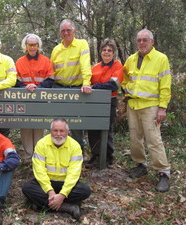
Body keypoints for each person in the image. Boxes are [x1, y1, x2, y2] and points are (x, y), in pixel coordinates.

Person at [122, 29, 172, 192]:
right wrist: (126, 89)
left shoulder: (161, 59)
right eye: (139, 40)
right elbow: (124, 78)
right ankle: (140, 165)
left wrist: (162, 107)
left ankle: (163, 172)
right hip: (133, 105)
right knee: (135, 137)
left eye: (145, 40)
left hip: (151, 106)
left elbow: (165, 85)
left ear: (152, 42)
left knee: (153, 139)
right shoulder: (131, 59)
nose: (141, 43)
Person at [22, 118, 91, 220]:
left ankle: (41, 204)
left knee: (85, 191)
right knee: (27, 188)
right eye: (55, 130)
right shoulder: (41, 144)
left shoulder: (75, 146)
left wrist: (62, 194)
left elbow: (74, 174)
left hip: (65, 183)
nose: (58, 134)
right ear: (51, 131)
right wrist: (50, 191)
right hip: (47, 184)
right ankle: (67, 207)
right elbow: (39, 170)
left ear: (67, 132)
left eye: (62, 131)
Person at [50, 19, 92, 153]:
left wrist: (86, 83)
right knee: (58, 121)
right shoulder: (56, 49)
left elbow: (85, 65)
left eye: (68, 30)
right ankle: (59, 150)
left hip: (76, 89)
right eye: (63, 30)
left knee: (75, 122)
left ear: (74, 31)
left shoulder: (81, 44)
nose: (66, 33)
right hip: (58, 88)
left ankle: (80, 149)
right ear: (60, 33)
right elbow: (51, 70)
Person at [15, 33, 55, 162]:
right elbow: (16, 81)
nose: (32, 47)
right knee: (26, 127)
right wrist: (25, 87)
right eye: (29, 45)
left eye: (34, 45)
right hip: (24, 100)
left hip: (40, 100)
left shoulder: (46, 61)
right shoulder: (20, 62)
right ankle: (28, 157)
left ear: (38, 46)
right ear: (25, 46)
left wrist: (38, 88)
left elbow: (50, 79)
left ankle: (38, 156)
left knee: (38, 126)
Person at [86, 38, 124, 168]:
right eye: (104, 50)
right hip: (94, 102)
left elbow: (113, 85)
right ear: (100, 52)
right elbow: (87, 83)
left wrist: (95, 87)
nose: (106, 52)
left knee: (106, 129)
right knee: (92, 129)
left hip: (110, 101)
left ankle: (108, 157)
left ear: (113, 53)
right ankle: (95, 156)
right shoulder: (94, 68)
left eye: (109, 50)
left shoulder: (118, 66)